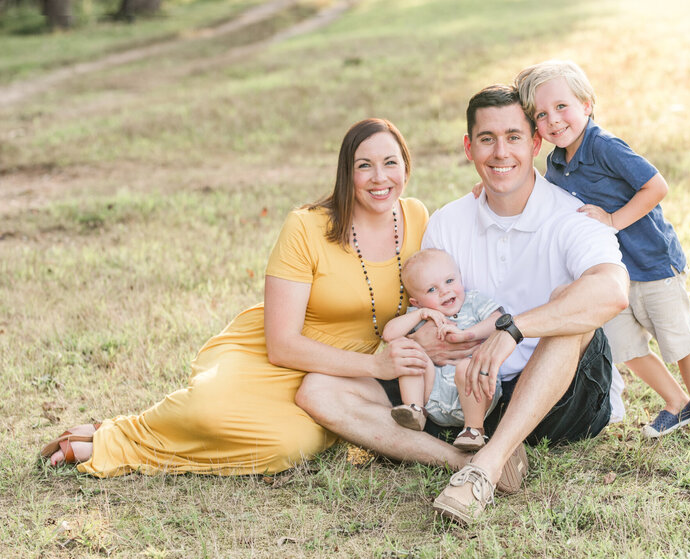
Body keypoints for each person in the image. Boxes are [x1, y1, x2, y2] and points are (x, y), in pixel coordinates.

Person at [298, 84, 629, 525]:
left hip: (560, 401)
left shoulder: (571, 216)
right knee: (317, 390)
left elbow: (612, 291)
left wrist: (512, 331)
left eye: (513, 137)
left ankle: (486, 470)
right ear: (469, 147)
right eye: (487, 139)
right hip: (468, 399)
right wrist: (429, 341)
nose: (500, 152)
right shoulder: (448, 223)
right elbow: (433, 314)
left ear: (535, 143)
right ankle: (461, 460)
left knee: (570, 306)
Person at [39, 118, 432, 476]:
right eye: (364, 165)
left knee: (284, 448)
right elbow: (282, 345)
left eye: (390, 163)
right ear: (347, 173)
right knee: (208, 407)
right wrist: (377, 365)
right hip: (281, 350)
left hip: (340, 381)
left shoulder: (417, 218)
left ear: (406, 166)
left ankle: (125, 442)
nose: (379, 177)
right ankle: (120, 435)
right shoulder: (307, 226)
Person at [514, 60, 690, 441]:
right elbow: (540, 197)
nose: (554, 120)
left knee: (678, 340)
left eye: (562, 107)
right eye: (541, 115)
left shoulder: (604, 146)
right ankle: (676, 403)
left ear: (587, 104)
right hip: (612, 274)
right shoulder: (556, 163)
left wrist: (613, 220)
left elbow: (656, 186)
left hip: (653, 262)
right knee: (626, 347)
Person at [382, 248, 504, 450]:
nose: (444, 291)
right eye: (431, 290)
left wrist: (468, 334)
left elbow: (498, 321)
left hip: (475, 394)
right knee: (408, 349)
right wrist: (421, 314)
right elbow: (389, 335)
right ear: (416, 301)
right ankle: (415, 410)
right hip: (433, 397)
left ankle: (473, 430)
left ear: (460, 278)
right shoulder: (422, 314)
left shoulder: (473, 302)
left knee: (467, 366)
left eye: (449, 281)